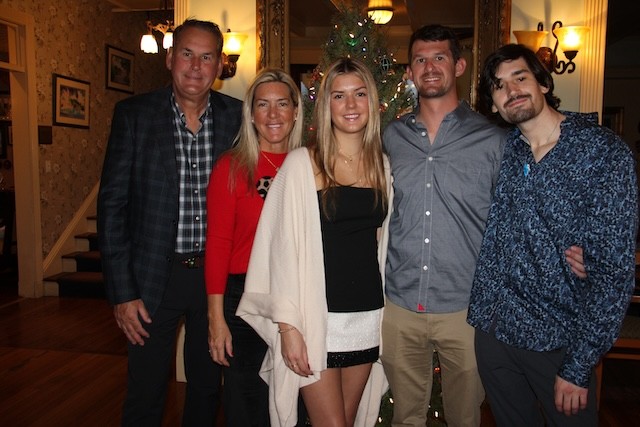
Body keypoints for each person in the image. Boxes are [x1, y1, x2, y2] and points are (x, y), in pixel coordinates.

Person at [379, 25, 587, 426]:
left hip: (468, 309)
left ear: (459, 66)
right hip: (400, 305)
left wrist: (577, 245)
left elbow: (530, 204)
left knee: (465, 418)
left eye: (439, 57)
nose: (429, 67)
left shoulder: (495, 139)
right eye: (420, 59)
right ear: (410, 71)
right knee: (405, 417)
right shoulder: (392, 136)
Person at [467, 43, 638, 427]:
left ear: (543, 83)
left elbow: (614, 273)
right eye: (499, 86)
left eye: (520, 77)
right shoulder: (508, 151)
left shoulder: (602, 152)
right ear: (493, 104)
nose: (511, 90)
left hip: (558, 339)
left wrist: (579, 365)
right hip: (494, 331)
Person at [97, 19, 242, 425]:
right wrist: (123, 293)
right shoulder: (134, 115)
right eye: (187, 54)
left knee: (207, 386)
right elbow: (112, 207)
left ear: (220, 65)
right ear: (169, 59)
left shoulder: (238, 118)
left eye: (207, 57)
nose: (196, 66)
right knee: (145, 393)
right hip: (151, 280)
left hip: (216, 279)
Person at [236, 58, 391, 427]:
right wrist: (288, 329)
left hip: (366, 316)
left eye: (359, 94)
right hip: (315, 319)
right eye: (339, 96)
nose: (350, 105)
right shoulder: (301, 165)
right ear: (326, 105)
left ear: (372, 102)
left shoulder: (382, 166)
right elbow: (277, 253)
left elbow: (379, 244)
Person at [205, 68, 303, 427]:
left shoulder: (310, 165)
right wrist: (216, 318)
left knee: (295, 400)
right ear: (250, 113)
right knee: (246, 402)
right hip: (243, 300)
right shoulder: (231, 167)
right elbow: (218, 244)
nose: (273, 114)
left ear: (296, 111)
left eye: (282, 104)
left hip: (297, 298)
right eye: (263, 104)